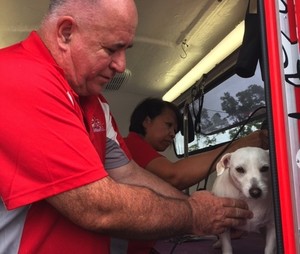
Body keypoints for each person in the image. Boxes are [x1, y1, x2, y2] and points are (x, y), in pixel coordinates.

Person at [0, 1, 253, 254]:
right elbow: (97, 207)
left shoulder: (96, 103)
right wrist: (194, 215)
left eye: (125, 50)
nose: (121, 65)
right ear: (66, 33)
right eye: (112, 49)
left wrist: (212, 214)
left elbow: (129, 173)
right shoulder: (19, 77)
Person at [121, 97, 268, 253]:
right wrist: (240, 145)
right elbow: (174, 176)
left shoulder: (145, 155)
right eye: (168, 125)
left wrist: (207, 217)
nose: (172, 134)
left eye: (175, 131)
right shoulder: (131, 144)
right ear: (146, 121)